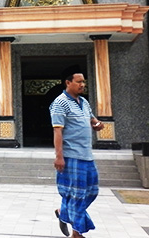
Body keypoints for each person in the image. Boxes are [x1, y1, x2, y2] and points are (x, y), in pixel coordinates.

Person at [50, 72, 105, 238]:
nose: (82, 85)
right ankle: (77, 233)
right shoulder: (60, 103)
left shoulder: (84, 102)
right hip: (72, 156)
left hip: (87, 155)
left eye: (84, 82)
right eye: (79, 82)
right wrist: (59, 156)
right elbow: (57, 131)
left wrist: (97, 124)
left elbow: (91, 119)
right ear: (68, 82)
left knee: (91, 192)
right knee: (78, 195)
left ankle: (64, 212)